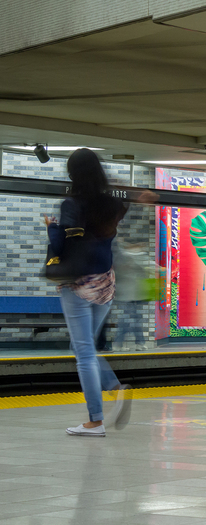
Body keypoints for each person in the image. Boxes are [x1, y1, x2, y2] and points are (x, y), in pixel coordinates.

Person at [44, 148, 131, 436]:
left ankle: (96, 419)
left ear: (72, 174)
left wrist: (51, 228)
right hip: (105, 284)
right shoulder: (112, 205)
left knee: (83, 353)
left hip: (78, 284)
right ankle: (115, 389)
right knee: (85, 348)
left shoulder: (72, 204)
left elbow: (62, 246)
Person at [113, 240, 151, 351]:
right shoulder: (129, 257)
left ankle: (138, 343)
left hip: (131, 295)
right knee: (128, 320)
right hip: (128, 296)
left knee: (133, 319)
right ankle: (120, 344)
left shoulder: (125, 257)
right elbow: (148, 265)